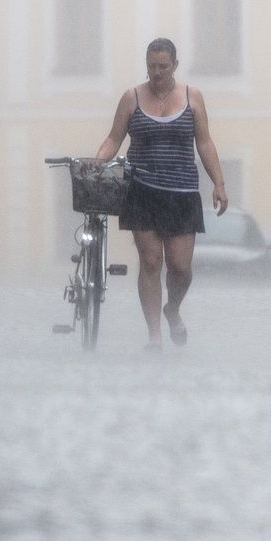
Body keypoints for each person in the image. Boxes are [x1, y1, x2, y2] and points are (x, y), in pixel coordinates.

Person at [94, 38, 229, 350]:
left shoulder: (192, 97)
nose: (156, 73)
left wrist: (219, 184)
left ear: (175, 66)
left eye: (163, 67)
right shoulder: (132, 98)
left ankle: (173, 309)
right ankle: (154, 336)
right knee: (151, 262)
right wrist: (96, 163)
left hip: (182, 193)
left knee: (181, 268)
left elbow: (205, 143)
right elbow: (114, 138)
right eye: (151, 67)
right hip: (141, 190)